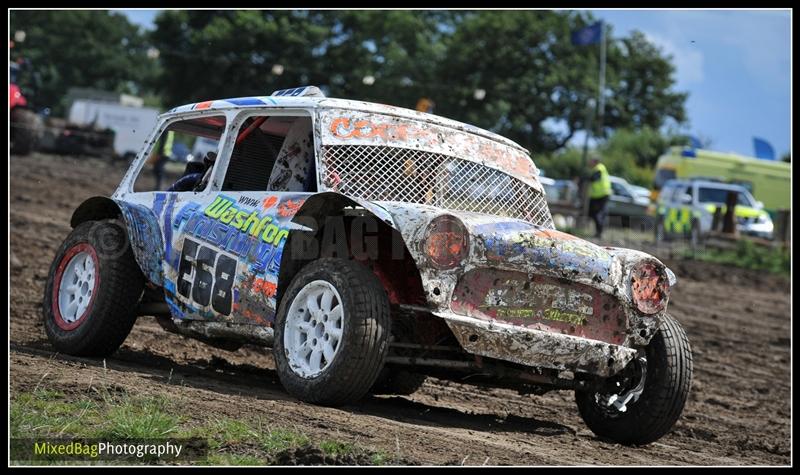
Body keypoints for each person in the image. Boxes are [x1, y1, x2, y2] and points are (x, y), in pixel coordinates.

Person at [586, 154, 612, 238]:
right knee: (595, 213)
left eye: (591, 161)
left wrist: (586, 178)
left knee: (597, 213)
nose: (589, 162)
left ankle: (600, 232)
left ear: (595, 161)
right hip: (598, 194)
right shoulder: (597, 168)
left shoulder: (599, 168)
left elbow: (594, 178)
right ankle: (599, 232)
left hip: (601, 194)